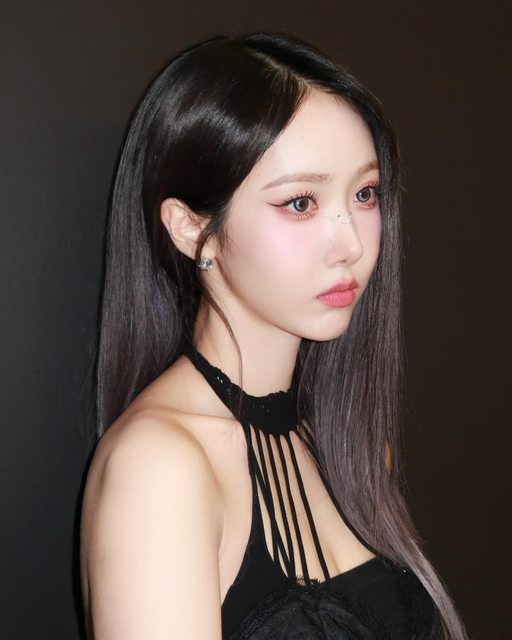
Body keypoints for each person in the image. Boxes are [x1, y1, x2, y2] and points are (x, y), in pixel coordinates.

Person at [79, 33, 467, 640]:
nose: (351, 244)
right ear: (191, 228)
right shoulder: (161, 469)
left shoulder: (344, 442)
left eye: (364, 194)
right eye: (301, 203)